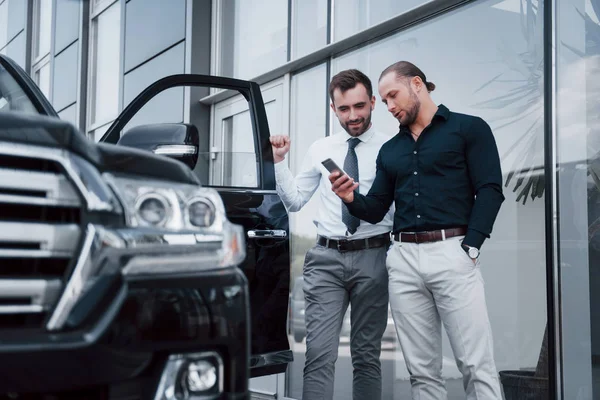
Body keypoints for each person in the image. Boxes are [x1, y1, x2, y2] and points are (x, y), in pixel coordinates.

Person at [329, 61, 505, 400]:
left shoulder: (469, 129)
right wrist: (351, 198)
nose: (390, 107)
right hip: (404, 261)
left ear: (417, 84)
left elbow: (490, 190)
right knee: (422, 374)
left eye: (393, 96)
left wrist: (471, 245)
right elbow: (377, 207)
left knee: (475, 366)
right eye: (385, 100)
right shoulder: (390, 150)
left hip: (453, 252)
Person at [270, 69, 394, 400]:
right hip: (325, 259)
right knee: (318, 357)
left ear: (372, 102)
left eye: (359, 106)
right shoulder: (321, 148)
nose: (352, 116)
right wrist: (279, 163)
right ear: (333, 109)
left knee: (367, 358)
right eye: (343, 109)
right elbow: (295, 201)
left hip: (374, 256)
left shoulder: (392, 148)